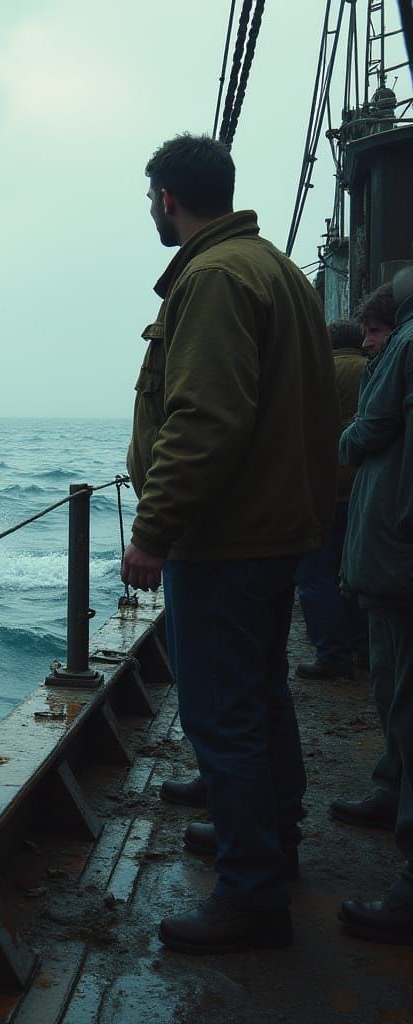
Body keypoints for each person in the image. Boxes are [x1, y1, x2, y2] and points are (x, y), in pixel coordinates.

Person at [122, 133, 338, 954]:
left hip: (225, 539)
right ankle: (272, 839)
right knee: (262, 695)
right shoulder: (277, 270)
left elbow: (206, 418)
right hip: (277, 529)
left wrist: (153, 532)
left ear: (169, 199)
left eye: (151, 200)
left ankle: (251, 896)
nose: (152, 211)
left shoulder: (213, 277)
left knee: (222, 717)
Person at [335, 266, 413, 945]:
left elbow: (361, 435)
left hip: (398, 562)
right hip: (389, 564)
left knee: (406, 701)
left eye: (375, 330)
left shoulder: (405, 350)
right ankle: (392, 787)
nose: (369, 343)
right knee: (392, 689)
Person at [294, 318, 369, 679]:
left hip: (324, 490)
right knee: (358, 573)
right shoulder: (375, 369)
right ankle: (365, 648)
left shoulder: (319, 373)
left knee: (316, 575)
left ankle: (332, 654)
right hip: (367, 490)